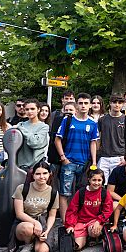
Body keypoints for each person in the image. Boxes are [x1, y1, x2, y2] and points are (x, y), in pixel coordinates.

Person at [54, 93, 100, 221]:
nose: (83, 106)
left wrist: (94, 162)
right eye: (81, 103)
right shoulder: (68, 120)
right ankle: (65, 222)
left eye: (86, 103)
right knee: (65, 193)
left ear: (90, 105)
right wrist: (63, 158)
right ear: (77, 105)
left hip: (84, 164)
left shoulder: (93, 123)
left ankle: (79, 219)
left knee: (82, 193)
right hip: (69, 162)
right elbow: (57, 140)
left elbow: (93, 143)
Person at [12, 161, 59, 252]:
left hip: (43, 223)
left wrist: (47, 231)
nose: (41, 177)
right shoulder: (22, 188)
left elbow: (52, 216)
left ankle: (36, 243)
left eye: (45, 173)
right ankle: (28, 244)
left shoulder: (53, 192)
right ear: (33, 175)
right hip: (25, 222)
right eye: (38, 174)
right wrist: (35, 223)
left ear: (50, 174)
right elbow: (19, 213)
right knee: (28, 228)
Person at [64, 168, 113, 251]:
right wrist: (70, 225)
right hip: (81, 222)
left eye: (99, 180)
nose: (96, 183)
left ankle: (95, 237)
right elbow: (72, 210)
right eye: (94, 180)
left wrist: (99, 221)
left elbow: (108, 210)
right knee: (77, 246)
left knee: (93, 231)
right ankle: (86, 239)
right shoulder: (81, 192)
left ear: (103, 181)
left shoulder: (104, 193)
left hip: (95, 221)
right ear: (89, 180)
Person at [98, 94, 126, 183]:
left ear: (123, 104)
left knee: (117, 185)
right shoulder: (102, 120)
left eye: (120, 102)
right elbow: (97, 139)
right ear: (110, 103)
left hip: (120, 157)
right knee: (101, 184)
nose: (117, 105)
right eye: (114, 102)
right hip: (104, 157)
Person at [15, 99, 51, 170]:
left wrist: (21, 129)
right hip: (20, 166)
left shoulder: (44, 127)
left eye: (32, 109)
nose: (30, 111)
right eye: (27, 109)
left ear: (38, 110)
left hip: (36, 166)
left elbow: (35, 143)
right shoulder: (21, 125)